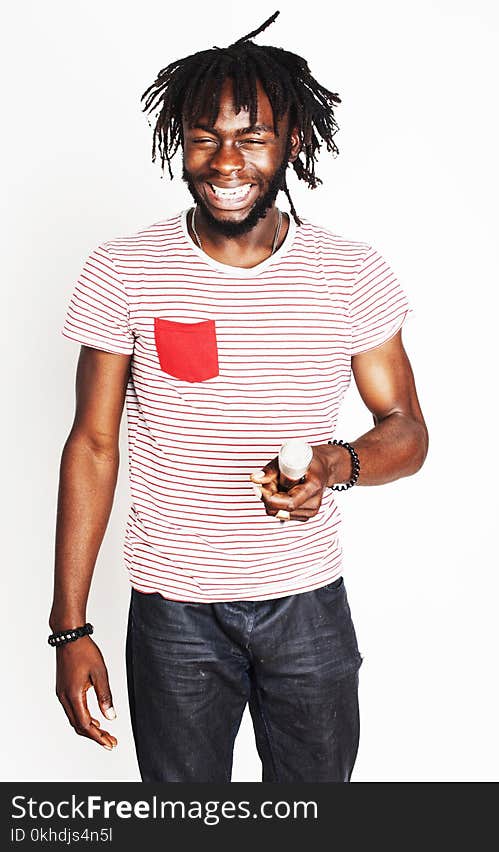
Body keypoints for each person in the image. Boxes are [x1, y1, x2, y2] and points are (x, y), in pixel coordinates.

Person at [49, 11, 428, 783]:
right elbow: (93, 443)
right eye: (204, 136)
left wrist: (333, 464)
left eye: (252, 137)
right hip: (173, 613)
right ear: (177, 142)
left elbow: (407, 431)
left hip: (308, 607)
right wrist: (69, 627)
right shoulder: (123, 270)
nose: (227, 160)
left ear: (292, 143)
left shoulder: (349, 273)